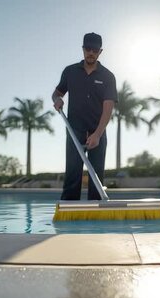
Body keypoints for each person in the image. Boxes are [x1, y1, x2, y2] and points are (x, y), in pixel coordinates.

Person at [52, 32, 117, 200]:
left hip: (98, 131)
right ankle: (68, 212)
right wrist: (57, 99)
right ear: (83, 49)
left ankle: (96, 215)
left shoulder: (108, 76)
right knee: (73, 175)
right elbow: (57, 93)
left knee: (96, 177)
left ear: (100, 52)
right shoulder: (70, 71)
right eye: (88, 49)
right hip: (75, 131)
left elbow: (108, 107)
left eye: (95, 50)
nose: (91, 53)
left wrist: (97, 134)